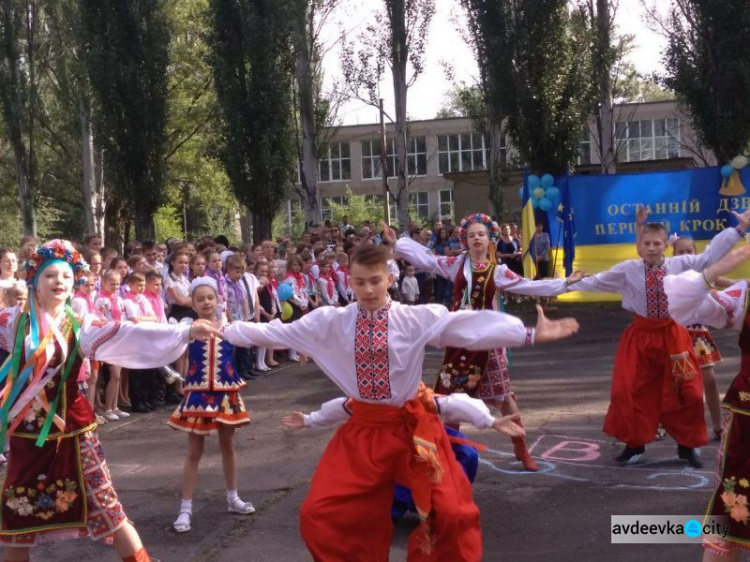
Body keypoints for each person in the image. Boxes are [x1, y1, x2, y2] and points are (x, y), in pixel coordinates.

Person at [222, 243, 579, 561]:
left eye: (375, 280)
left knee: (452, 514)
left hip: (413, 432)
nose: (368, 289)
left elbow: (466, 326)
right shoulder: (332, 321)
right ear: (351, 280)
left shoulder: (414, 318)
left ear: (389, 278)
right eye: (360, 282)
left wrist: (526, 333)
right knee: (319, 514)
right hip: (363, 434)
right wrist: (223, 329)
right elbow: (273, 332)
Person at [0, 239, 217, 562]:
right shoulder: (11, 322)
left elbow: (130, 333)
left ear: (74, 283)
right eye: (49, 276)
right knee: (17, 518)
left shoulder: (82, 325)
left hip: (74, 435)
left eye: (66, 276)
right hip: (26, 437)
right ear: (33, 280)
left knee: (107, 507)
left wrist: (183, 333)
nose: (58, 282)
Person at [390, 214, 581, 472]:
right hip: (458, 342)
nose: (476, 238)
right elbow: (427, 258)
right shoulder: (455, 264)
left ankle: (521, 448)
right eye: (471, 235)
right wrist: (400, 243)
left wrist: (564, 283)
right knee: (450, 400)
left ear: (490, 238)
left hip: (489, 343)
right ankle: (449, 452)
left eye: (481, 234)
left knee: (504, 398)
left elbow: (526, 285)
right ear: (465, 241)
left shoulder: (498, 271)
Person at [566, 210, 750, 467]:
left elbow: (710, 254)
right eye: (646, 243)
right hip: (640, 340)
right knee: (632, 391)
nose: (651, 248)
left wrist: (738, 229)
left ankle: (686, 447)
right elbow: (596, 282)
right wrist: (563, 284)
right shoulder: (628, 270)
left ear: (666, 245)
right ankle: (635, 444)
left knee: (687, 392)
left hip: (673, 337)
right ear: (640, 246)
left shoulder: (678, 265)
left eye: (656, 243)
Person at [658, 245, 750, 561]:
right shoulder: (745, 296)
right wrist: (709, 274)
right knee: (732, 512)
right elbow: (679, 306)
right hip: (747, 421)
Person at [168, 277, 254, 534]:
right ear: (192, 304)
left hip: (226, 393)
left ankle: (233, 497)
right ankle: (185, 508)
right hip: (198, 395)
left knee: (228, 447)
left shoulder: (230, 328)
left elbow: (261, 334)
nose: (206, 302)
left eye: (210, 298)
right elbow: (164, 346)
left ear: (218, 300)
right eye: (200, 299)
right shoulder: (187, 329)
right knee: (194, 451)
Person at [95, 270, 130, 422]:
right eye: (112, 284)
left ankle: (115, 406)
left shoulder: (118, 299)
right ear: (104, 283)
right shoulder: (101, 300)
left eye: (118, 284)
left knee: (118, 375)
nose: (116, 287)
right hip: (108, 339)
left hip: (119, 337)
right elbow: (101, 319)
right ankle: (107, 408)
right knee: (114, 374)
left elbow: (122, 316)